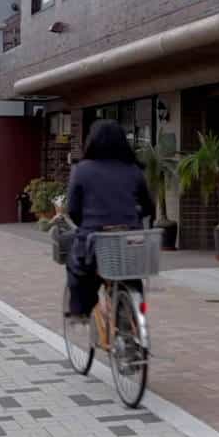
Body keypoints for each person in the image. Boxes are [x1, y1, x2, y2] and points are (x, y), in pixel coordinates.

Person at [66, 120, 154, 318]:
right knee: (130, 275)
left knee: (76, 267)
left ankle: (81, 311)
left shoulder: (82, 169)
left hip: (96, 241)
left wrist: (86, 223)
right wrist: (132, 216)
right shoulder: (133, 170)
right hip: (129, 241)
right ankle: (134, 320)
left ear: (92, 141)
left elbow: (72, 209)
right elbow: (149, 207)